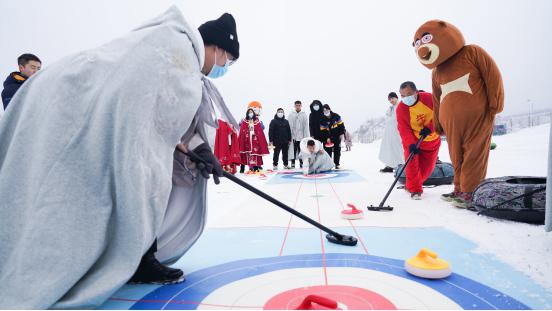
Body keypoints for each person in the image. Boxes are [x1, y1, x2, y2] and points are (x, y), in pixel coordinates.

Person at [0, 7, 240, 308]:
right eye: (228, 60)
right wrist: (193, 147)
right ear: (218, 48)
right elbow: (153, 114)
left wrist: (200, 149)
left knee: (129, 183)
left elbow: (163, 113)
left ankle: (135, 254)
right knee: (140, 180)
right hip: (68, 107)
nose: (225, 67)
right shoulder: (174, 52)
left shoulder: (177, 55)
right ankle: (128, 259)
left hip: (72, 104)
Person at [413, 20, 504, 208]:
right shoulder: (437, 72)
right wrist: (438, 123)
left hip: (477, 116)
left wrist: (496, 101)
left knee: (474, 153)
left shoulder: (472, 52)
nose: (422, 48)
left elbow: (492, 75)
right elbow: (437, 99)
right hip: (451, 122)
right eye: (418, 44)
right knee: (456, 155)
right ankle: (459, 188)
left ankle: (470, 191)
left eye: (426, 39)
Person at [396, 81, 441, 200]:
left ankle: (411, 185)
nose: (406, 98)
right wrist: (410, 144)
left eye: (409, 94)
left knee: (426, 170)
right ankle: (415, 190)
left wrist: (430, 128)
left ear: (416, 92)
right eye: (403, 96)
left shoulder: (429, 98)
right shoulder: (401, 109)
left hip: (432, 140)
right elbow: (403, 129)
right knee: (411, 165)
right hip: (414, 141)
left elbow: (441, 114)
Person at [379, 92, 405, 173]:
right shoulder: (391, 108)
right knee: (389, 148)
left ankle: (400, 165)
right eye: (389, 99)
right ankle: (389, 165)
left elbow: (399, 118)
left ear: (396, 97)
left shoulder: (401, 105)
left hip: (398, 131)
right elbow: (387, 119)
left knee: (398, 148)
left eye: (392, 98)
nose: (391, 100)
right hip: (389, 132)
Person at [239, 108, 269, 172]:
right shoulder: (244, 121)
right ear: (247, 113)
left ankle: (255, 167)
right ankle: (242, 168)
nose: (250, 113)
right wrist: (246, 133)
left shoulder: (257, 121)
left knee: (255, 154)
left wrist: (256, 134)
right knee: (245, 154)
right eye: (249, 112)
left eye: (251, 112)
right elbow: (242, 131)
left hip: (255, 141)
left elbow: (260, 131)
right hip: (246, 140)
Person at [320, 104, 345, 169]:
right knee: (328, 152)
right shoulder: (322, 119)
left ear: (329, 109)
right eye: (324, 111)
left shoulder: (336, 116)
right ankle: (329, 164)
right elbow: (322, 131)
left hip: (336, 136)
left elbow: (341, 126)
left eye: (327, 110)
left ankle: (337, 164)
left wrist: (342, 134)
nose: (326, 112)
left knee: (337, 150)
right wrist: (326, 138)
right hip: (327, 138)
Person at [287, 100, 310, 168]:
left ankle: (301, 162)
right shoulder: (291, 114)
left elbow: (306, 127)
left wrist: (306, 137)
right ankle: (293, 163)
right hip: (293, 136)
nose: (298, 107)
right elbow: (289, 126)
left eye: (299, 105)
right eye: (296, 105)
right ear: (294, 106)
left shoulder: (304, 114)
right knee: (293, 150)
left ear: (301, 106)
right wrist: (289, 136)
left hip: (301, 137)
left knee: (301, 150)